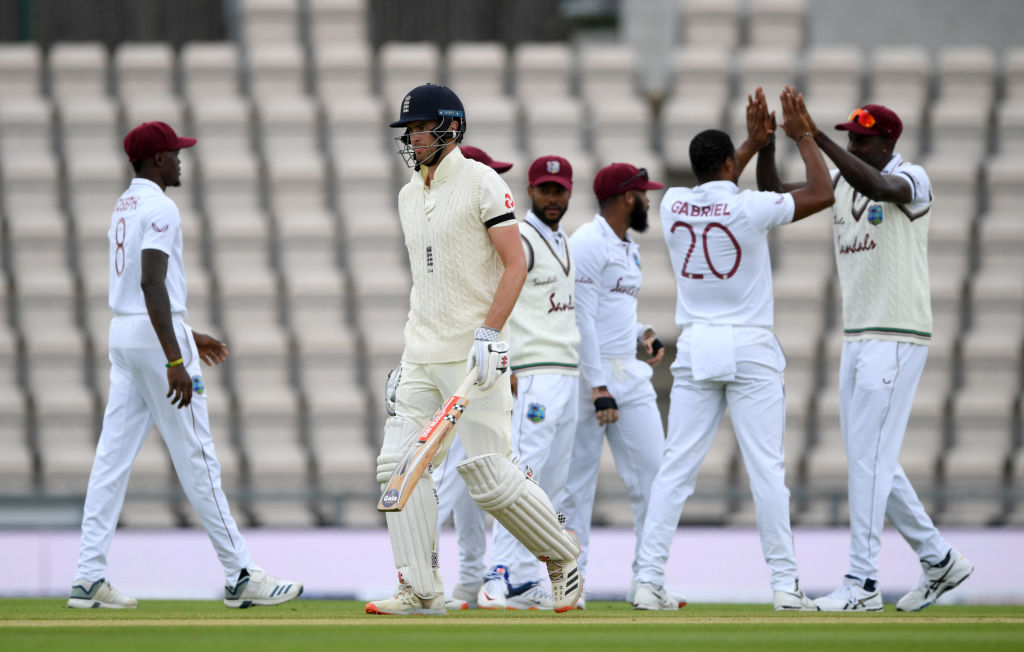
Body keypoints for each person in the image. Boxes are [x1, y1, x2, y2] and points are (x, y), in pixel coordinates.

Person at [367, 83, 583, 616]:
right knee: (398, 465)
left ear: (451, 129)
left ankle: (563, 555)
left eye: (421, 128)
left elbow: (516, 265)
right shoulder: (407, 195)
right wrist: (407, 356)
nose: (413, 138)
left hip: (475, 356)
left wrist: (490, 335)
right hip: (421, 352)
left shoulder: (485, 182)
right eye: (409, 131)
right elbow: (428, 282)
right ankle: (420, 590)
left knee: (490, 476)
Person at [67, 121, 302, 610]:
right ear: (156, 161)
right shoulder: (161, 207)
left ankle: (89, 575)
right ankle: (241, 574)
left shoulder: (124, 205)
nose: (179, 160)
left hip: (126, 335)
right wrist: (176, 355)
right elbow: (153, 282)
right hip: (156, 344)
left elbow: (138, 289)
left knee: (111, 459)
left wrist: (184, 333)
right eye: (174, 153)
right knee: (198, 456)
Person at [755, 99, 974, 611]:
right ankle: (939, 559)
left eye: (862, 139)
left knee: (870, 460)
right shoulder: (839, 179)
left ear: (889, 142)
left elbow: (881, 189)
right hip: (859, 335)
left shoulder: (914, 178)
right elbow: (774, 196)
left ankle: (863, 583)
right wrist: (771, 147)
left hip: (897, 334)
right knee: (870, 459)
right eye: (849, 137)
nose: (854, 145)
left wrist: (814, 139)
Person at [632, 87, 833, 611]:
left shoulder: (674, 204)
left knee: (676, 469)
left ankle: (647, 580)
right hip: (749, 347)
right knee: (767, 471)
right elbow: (822, 192)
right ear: (729, 164)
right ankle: (786, 587)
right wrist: (799, 136)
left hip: (697, 348)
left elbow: (716, 180)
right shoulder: (751, 207)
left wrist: (752, 143)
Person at [561, 160, 671, 609]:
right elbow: (580, 316)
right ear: (628, 198)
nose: (649, 200)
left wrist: (642, 331)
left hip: (628, 370)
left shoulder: (627, 247)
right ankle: (572, 582)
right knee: (577, 486)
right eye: (644, 193)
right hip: (592, 378)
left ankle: (647, 581)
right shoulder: (588, 242)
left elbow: (611, 313)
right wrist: (598, 385)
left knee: (655, 480)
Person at [476, 155, 581, 610]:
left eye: (559, 190)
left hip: (567, 373)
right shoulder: (521, 235)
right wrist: (509, 363)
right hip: (534, 374)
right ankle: (496, 573)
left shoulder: (564, 240)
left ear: (570, 192)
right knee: (520, 479)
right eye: (544, 190)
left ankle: (522, 579)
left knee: (549, 483)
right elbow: (500, 295)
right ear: (530, 192)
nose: (552, 199)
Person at [428, 144, 514, 611]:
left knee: (474, 482)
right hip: (466, 371)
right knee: (464, 478)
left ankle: (470, 583)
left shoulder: (493, 239)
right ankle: (426, 575)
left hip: (485, 368)